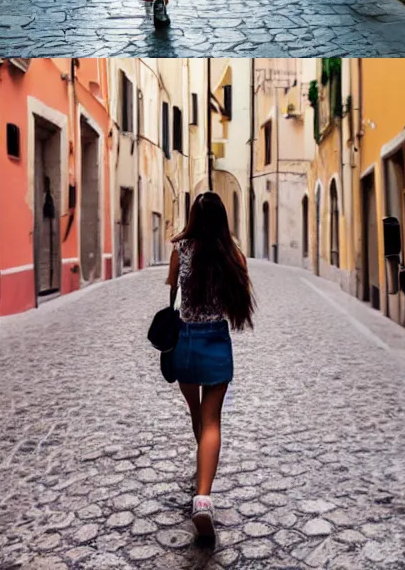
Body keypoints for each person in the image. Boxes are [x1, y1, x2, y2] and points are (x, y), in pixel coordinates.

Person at [166, 192, 255, 545]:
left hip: (184, 341)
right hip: (216, 341)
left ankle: (200, 470)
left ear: (192, 218)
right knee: (213, 419)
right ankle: (203, 498)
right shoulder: (233, 256)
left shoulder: (180, 250)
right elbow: (239, 302)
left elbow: (172, 293)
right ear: (222, 221)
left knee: (197, 415)